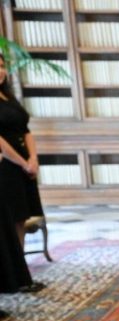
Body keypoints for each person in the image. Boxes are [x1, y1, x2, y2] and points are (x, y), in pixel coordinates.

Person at [0, 53, 45, 295]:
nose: (0, 70)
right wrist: (21, 162)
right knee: (10, 218)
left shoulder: (8, 97)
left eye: (1, 65)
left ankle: (20, 271)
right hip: (7, 166)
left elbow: (25, 129)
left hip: (24, 164)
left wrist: (33, 158)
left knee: (20, 218)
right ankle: (12, 273)